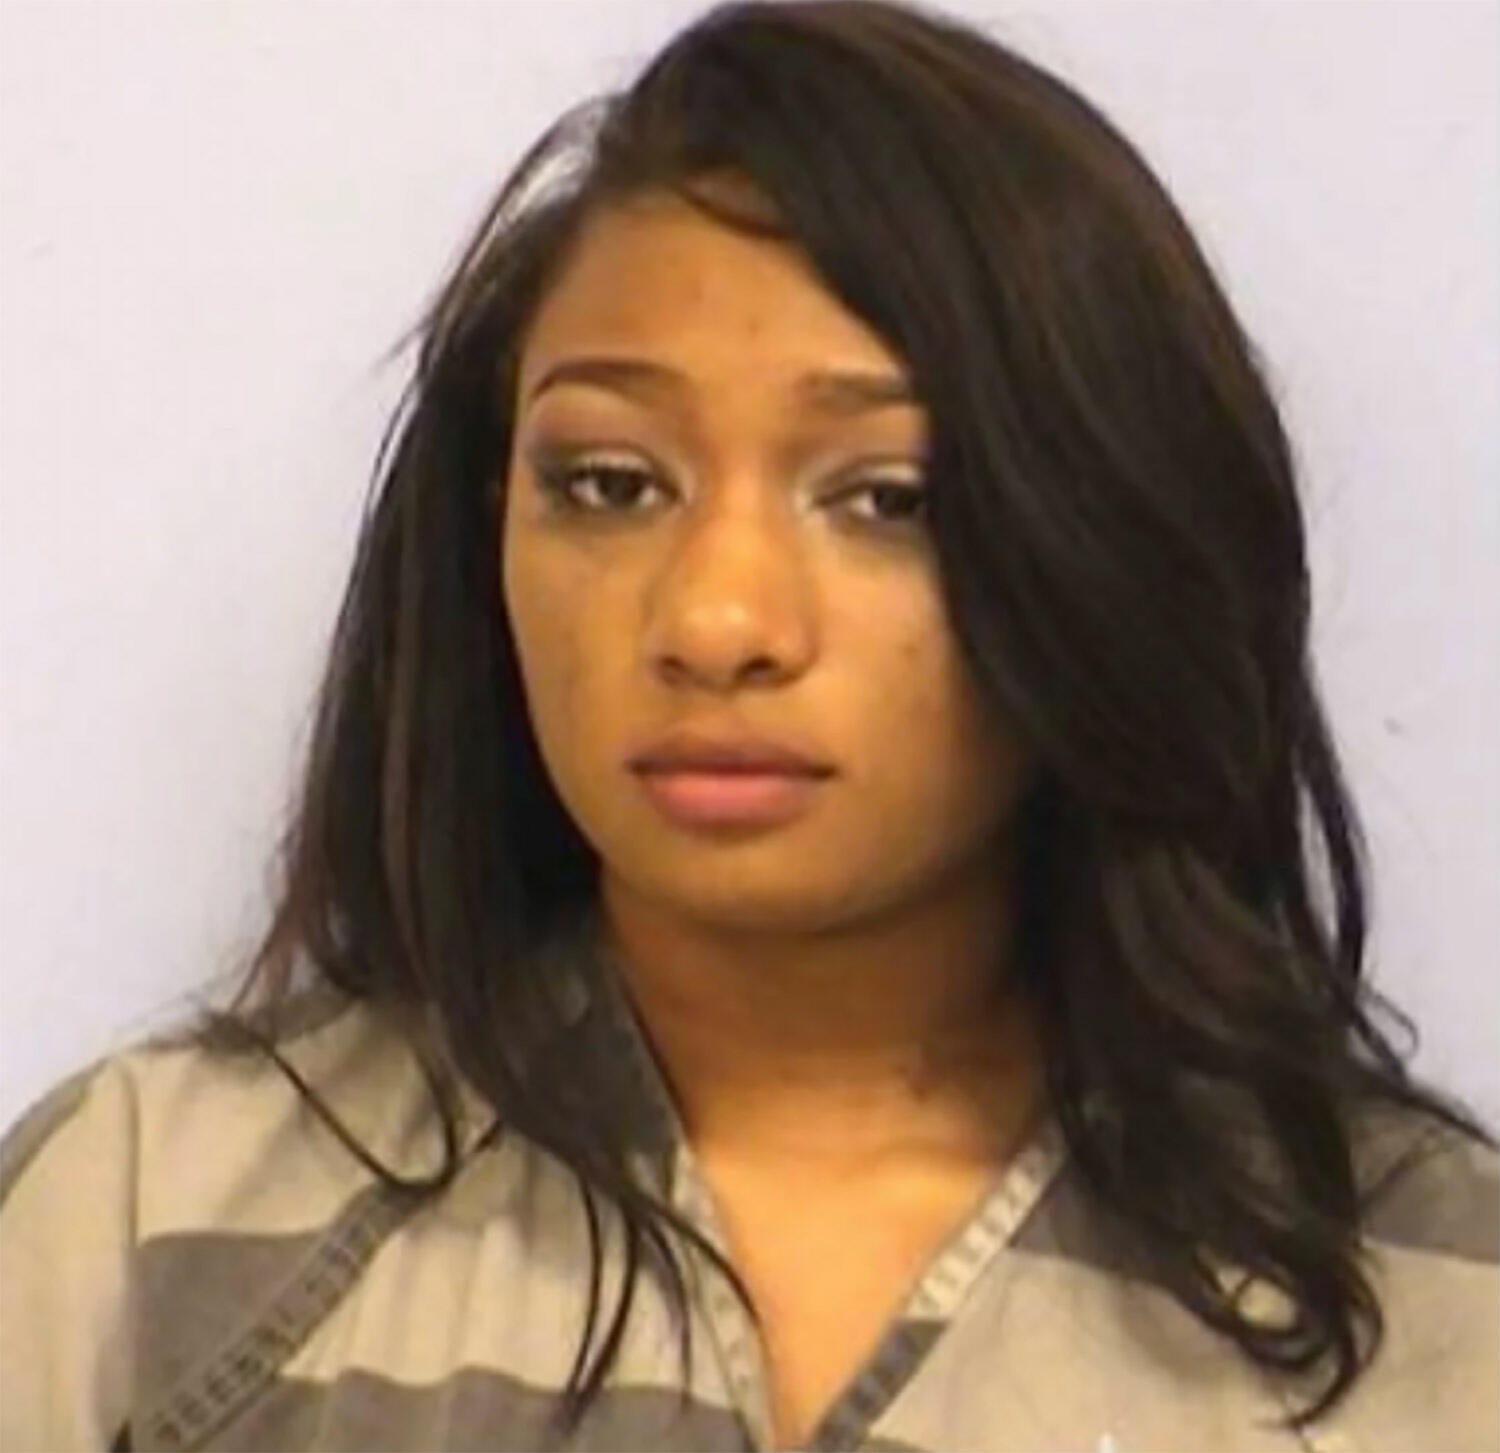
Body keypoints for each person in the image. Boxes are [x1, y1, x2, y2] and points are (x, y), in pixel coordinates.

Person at [1, 1, 1495, 1449]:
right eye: (610, 483)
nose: (716, 621)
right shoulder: (142, 1221)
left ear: (1101, 549)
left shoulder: (1443, 1309)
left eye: (887, 498)